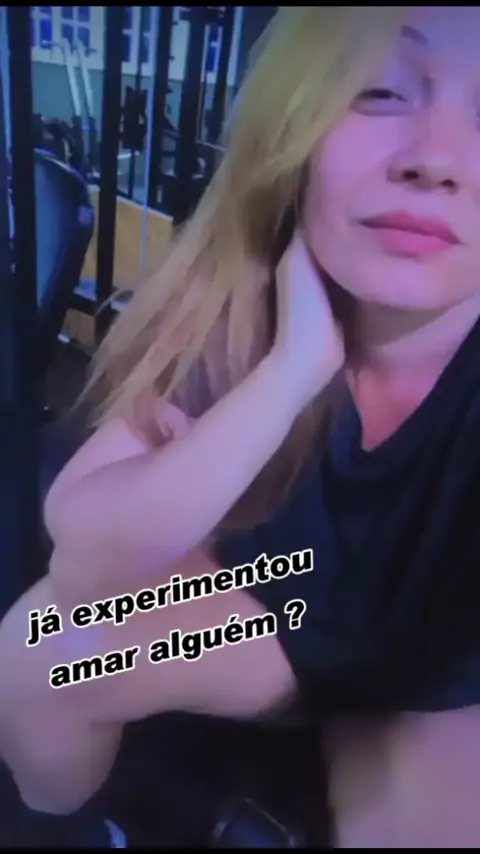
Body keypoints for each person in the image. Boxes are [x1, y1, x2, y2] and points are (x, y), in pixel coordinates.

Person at [2, 4, 480, 847]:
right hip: (280, 603)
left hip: (437, 670)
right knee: (38, 650)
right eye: (378, 91)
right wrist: (291, 370)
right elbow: (85, 558)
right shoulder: (247, 300)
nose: (436, 160)